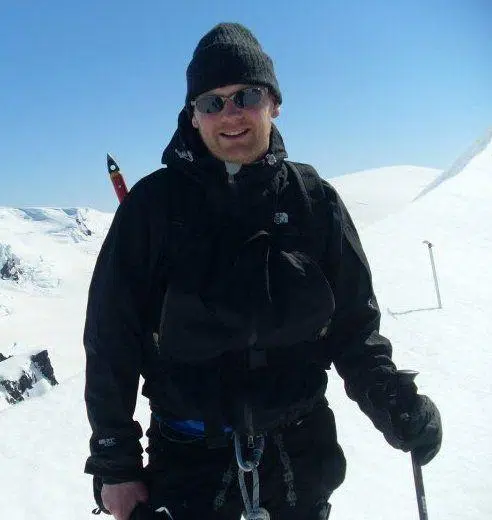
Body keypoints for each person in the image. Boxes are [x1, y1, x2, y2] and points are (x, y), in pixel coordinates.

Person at [84, 22, 442, 520]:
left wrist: (390, 398)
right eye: (212, 101)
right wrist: (115, 462)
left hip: (300, 461)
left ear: (273, 101)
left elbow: (354, 327)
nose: (229, 114)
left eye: (245, 96)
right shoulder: (152, 208)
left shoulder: (314, 201)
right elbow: (110, 339)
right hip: (189, 466)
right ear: (193, 114)